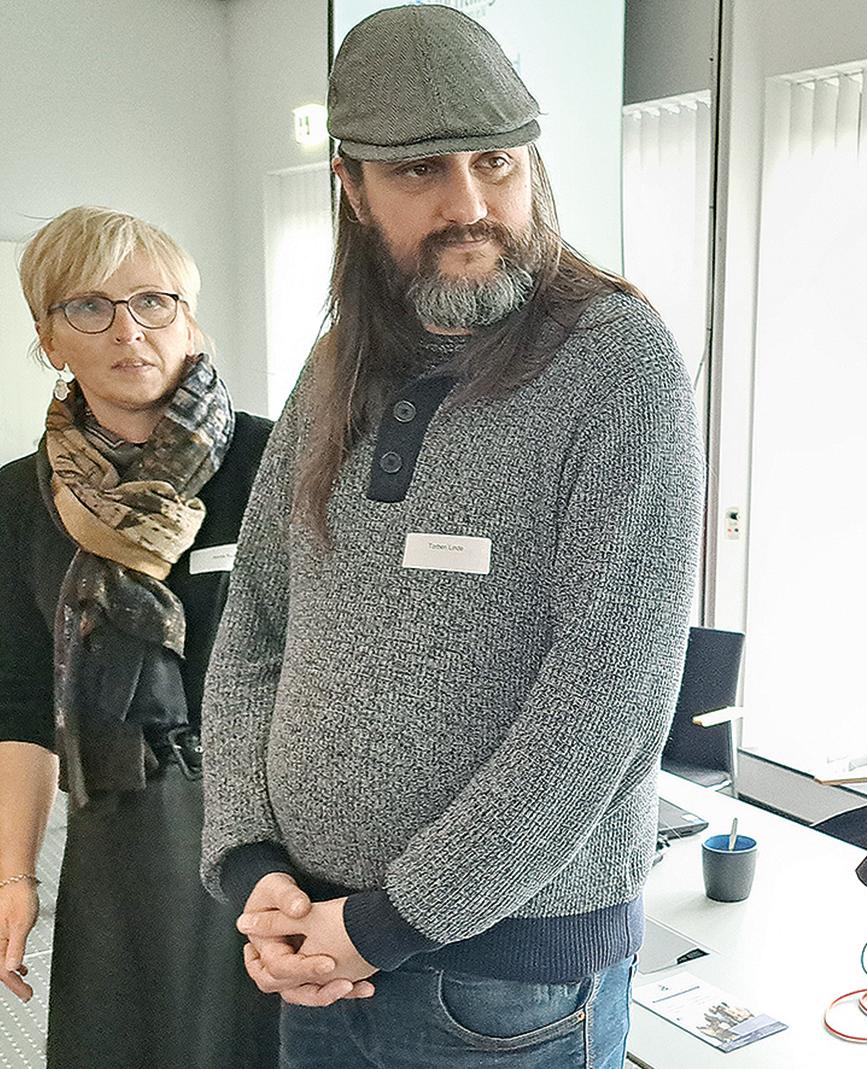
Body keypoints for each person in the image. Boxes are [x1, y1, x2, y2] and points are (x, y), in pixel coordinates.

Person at [199, 6, 702, 1067]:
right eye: (420, 170)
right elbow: (254, 633)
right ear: (352, 186)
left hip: (502, 984)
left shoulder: (616, 362)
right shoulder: (337, 365)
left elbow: (608, 697)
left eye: (495, 162)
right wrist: (254, 866)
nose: (469, 204)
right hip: (316, 944)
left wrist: (394, 918)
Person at [0, 206, 276, 1068]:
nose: (129, 330)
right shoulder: (19, 499)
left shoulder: (277, 463)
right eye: (90, 306)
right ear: (50, 339)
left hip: (270, 837)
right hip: (117, 835)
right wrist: (14, 875)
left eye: (153, 301)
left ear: (190, 321)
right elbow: (20, 699)